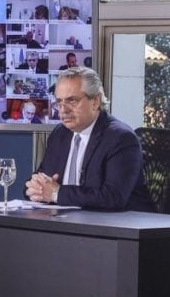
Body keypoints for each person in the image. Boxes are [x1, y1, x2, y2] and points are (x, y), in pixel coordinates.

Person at [25, 67, 155, 211]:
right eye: (59, 102)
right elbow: (43, 180)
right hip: (68, 223)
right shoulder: (60, 134)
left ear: (95, 101)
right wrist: (34, 188)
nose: (63, 110)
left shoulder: (121, 138)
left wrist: (57, 193)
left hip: (120, 227)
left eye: (72, 101)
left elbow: (112, 197)